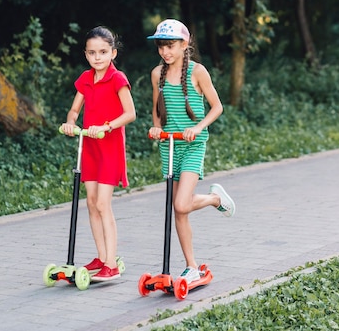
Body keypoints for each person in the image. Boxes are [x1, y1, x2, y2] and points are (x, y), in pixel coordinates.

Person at [147, 18, 236, 285]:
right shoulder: (156, 74)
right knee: (180, 211)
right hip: (169, 145)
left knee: (181, 204)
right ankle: (192, 266)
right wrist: (154, 127)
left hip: (192, 145)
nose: (165, 51)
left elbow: (217, 106)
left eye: (171, 46)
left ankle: (214, 199)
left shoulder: (198, 72)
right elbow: (157, 108)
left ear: (185, 45)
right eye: (161, 46)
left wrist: (197, 128)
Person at [61, 26, 136, 282]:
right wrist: (71, 122)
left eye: (103, 52)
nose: (98, 57)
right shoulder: (85, 79)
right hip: (90, 147)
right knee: (91, 203)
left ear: (113, 53)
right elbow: (74, 110)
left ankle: (111, 263)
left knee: (103, 204)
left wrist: (107, 127)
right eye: (92, 53)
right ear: (86, 54)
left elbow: (130, 113)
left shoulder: (117, 79)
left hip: (109, 146)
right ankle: (102, 256)